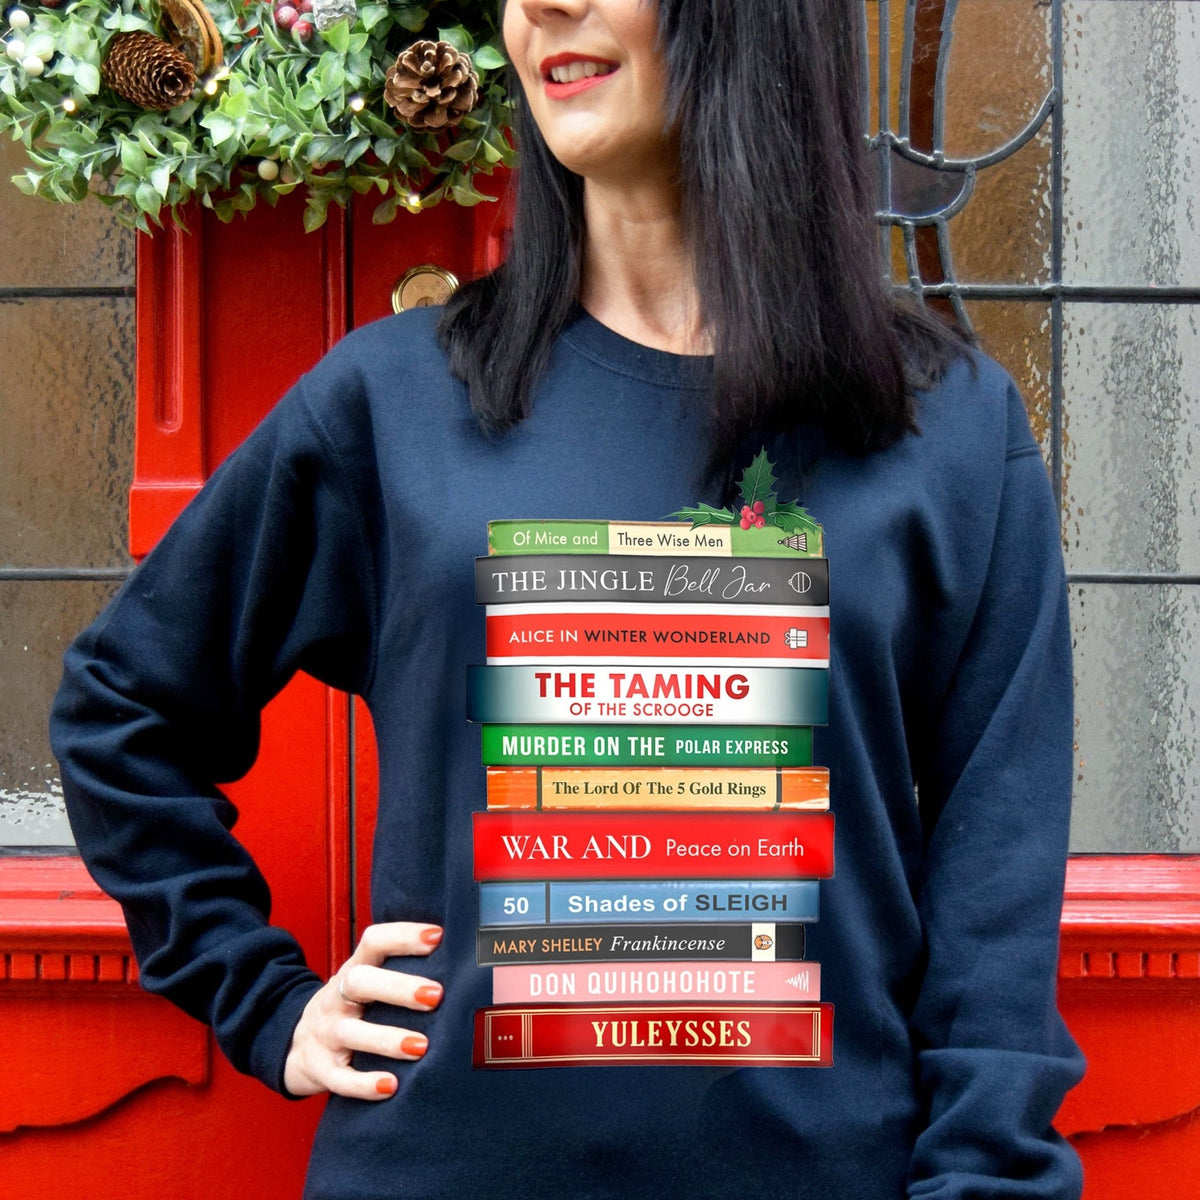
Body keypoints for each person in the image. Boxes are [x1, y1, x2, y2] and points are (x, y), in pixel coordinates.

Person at [50, 0, 1085, 1196]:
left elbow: (995, 891)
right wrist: (264, 999)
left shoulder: (945, 431)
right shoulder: (393, 406)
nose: (542, 4)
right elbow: (123, 706)